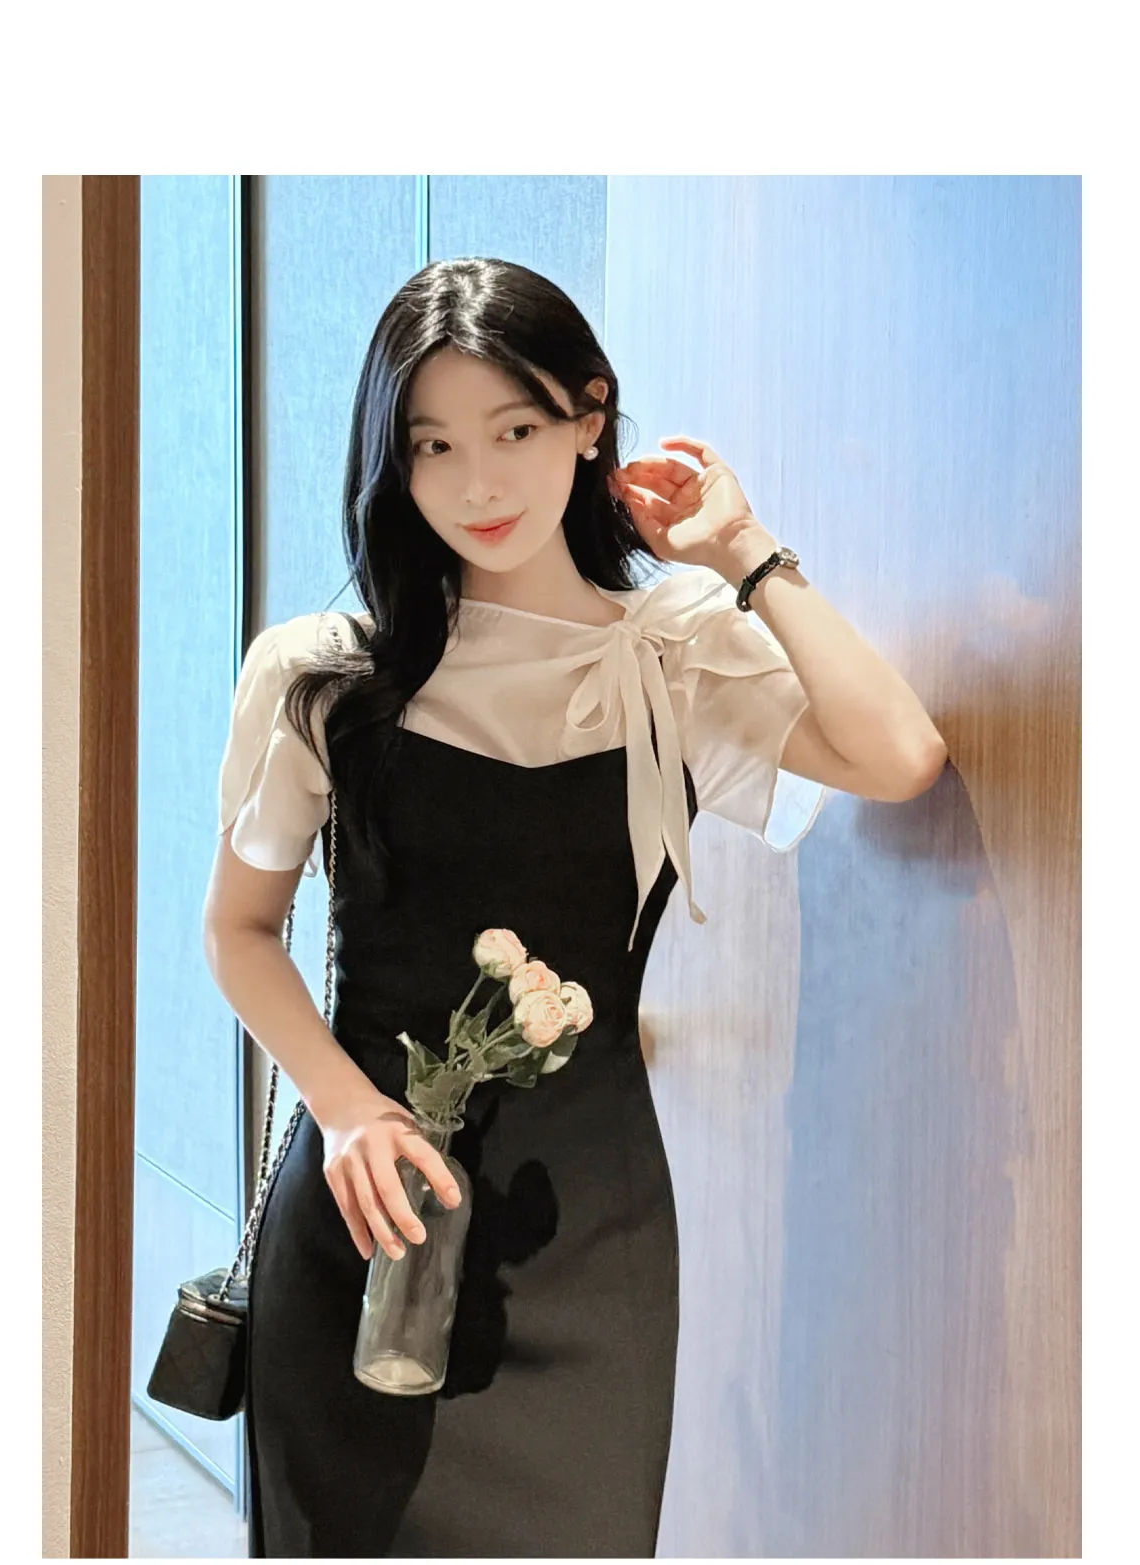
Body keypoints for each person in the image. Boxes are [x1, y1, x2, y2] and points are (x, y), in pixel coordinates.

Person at [203, 256, 948, 1558]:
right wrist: (347, 1110)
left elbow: (900, 757)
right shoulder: (323, 678)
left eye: (515, 430)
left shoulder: (672, 656)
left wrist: (744, 554)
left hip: (590, 1240)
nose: (477, 484)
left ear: (590, 417)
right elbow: (237, 931)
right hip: (366, 1220)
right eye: (432, 445)